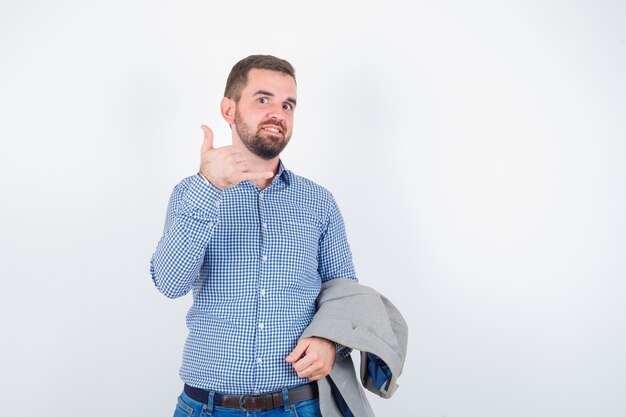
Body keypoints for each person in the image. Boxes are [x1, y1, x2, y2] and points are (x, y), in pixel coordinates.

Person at [150, 55, 358, 417]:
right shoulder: (191, 193)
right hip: (208, 407)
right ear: (228, 110)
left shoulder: (318, 202)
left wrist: (330, 341)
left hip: (300, 405)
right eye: (263, 99)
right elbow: (170, 283)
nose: (278, 112)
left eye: (287, 104)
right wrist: (209, 187)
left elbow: (345, 291)